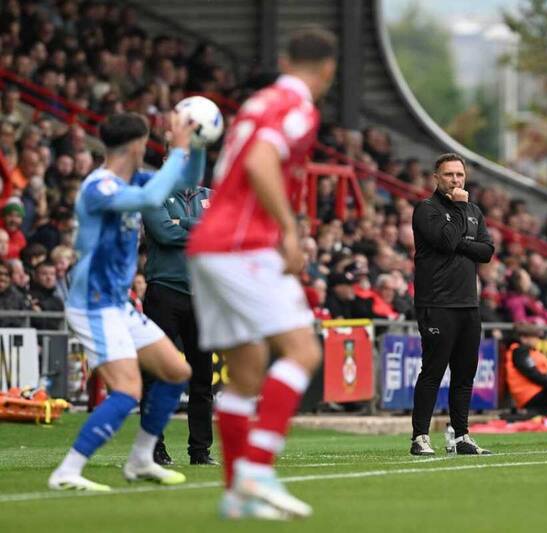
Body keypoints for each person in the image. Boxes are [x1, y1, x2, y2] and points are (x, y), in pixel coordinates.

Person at [186, 27, 338, 520]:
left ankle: (236, 493)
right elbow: (259, 159)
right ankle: (258, 469)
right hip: (242, 245)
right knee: (302, 350)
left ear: (283, 58)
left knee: (246, 372)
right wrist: (289, 230)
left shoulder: (257, 101)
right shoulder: (298, 106)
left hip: (208, 244)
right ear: (329, 69)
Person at [48, 112, 200, 491]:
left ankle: (141, 459)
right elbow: (152, 197)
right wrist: (178, 150)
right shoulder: (99, 187)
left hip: (117, 304)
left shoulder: (132, 180)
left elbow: (187, 181)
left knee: (177, 371)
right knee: (128, 391)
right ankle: (68, 470)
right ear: (136, 145)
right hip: (93, 304)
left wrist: (194, 148)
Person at [409, 152, 494, 456]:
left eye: (459, 175)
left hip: (468, 304)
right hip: (437, 302)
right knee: (432, 371)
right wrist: (458, 213)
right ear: (436, 178)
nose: (455, 180)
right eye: (448, 175)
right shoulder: (426, 209)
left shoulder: (473, 211)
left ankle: (461, 436)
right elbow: (445, 241)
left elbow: (486, 251)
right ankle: (420, 437)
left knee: (464, 373)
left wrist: (461, 241)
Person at [141, 176, 216, 466]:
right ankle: (154, 448)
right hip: (165, 291)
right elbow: (163, 234)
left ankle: (200, 450)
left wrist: (180, 224)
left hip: (202, 295)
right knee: (156, 372)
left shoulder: (212, 196)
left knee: (202, 377)